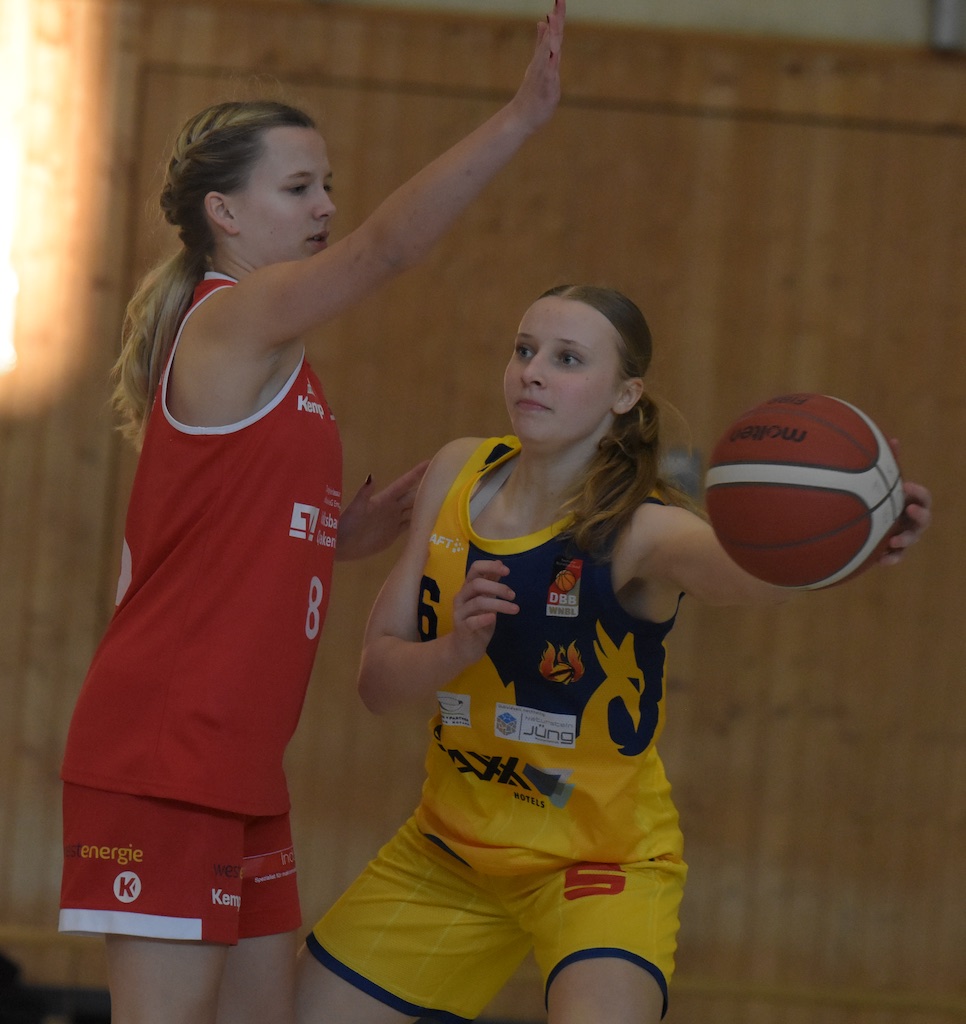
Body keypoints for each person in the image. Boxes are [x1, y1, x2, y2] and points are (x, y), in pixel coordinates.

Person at [57, 5, 565, 1024]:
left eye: (327, 184)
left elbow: (213, 545)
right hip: (165, 750)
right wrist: (519, 117)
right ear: (224, 215)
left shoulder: (276, 360)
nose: (327, 205)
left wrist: (345, 535)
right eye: (299, 188)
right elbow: (388, 249)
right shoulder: (234, 318)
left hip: (242, 759)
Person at [294, 284, 932, 1024]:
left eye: (566, 358)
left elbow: (747, 573)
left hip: (597, 863)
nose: (532, 371)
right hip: (449, 853)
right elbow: (375, 681)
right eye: (525, 350)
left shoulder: (640, 531)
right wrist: (455, 648)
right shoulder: (456, 470)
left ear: (625, 394)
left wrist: (852, 541)